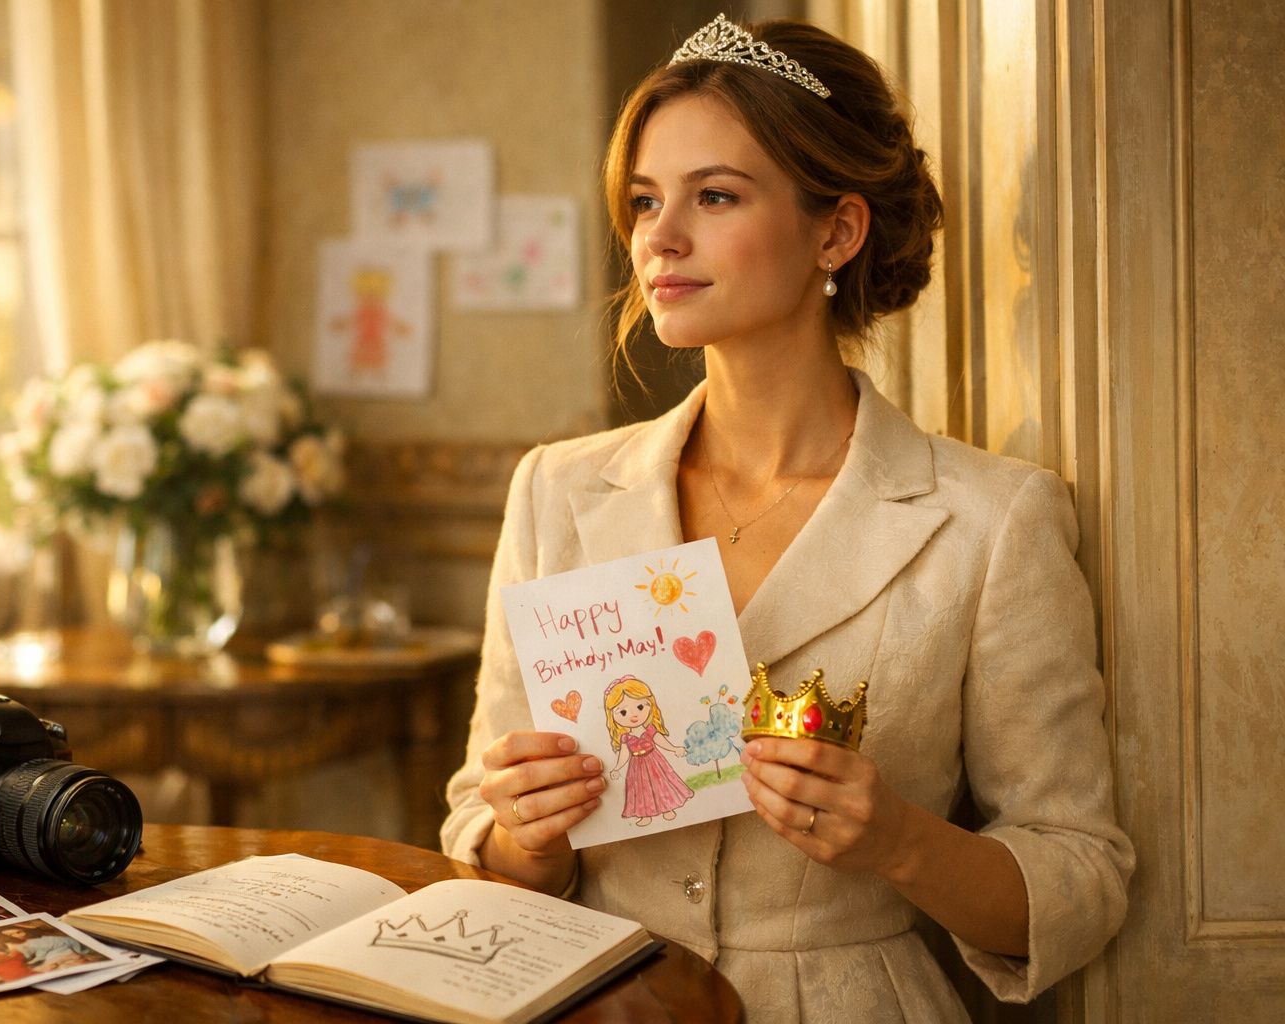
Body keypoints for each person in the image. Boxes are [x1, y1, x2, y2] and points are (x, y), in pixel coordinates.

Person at [441, 14, 1134, 1022]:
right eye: (643, 201)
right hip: (593, 1000)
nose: (657, 238)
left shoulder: (990, 521)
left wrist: (898, 838)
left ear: (837, 231)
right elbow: (482, 827)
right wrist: (525, 839)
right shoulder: (555, 490)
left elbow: (1082, 875)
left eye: (713, 196)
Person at [602, 675, 693, 825]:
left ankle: (668, 807)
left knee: (661, 784)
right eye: (623, 712)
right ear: (613, 716)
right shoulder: (626, 737)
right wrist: (617, 768)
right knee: (640, 788)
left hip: (654, 761)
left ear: (650, 704)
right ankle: (644, 814)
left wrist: (674, 748)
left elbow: (660, 740)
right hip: (636, 766)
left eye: (640, 707)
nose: (634, 715)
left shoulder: (650, 730)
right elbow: (624, 754)